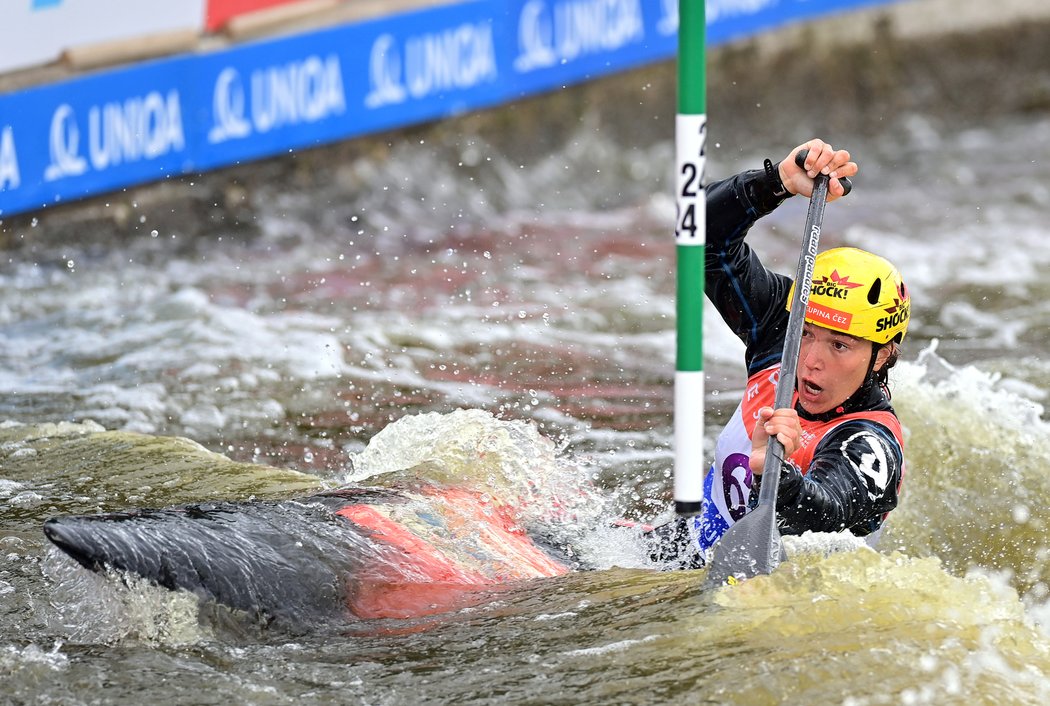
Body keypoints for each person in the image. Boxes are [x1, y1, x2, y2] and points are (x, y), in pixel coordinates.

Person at [652, 138, 910, 569]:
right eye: (806, 333)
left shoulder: (872, 443)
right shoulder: (780, 332)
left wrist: (776, 474)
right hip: (684, 547)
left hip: (779, 592)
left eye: (840, 345)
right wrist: (775, 183)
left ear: (882, 356)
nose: (810, 359)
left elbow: (825, 511)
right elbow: (701, 237)